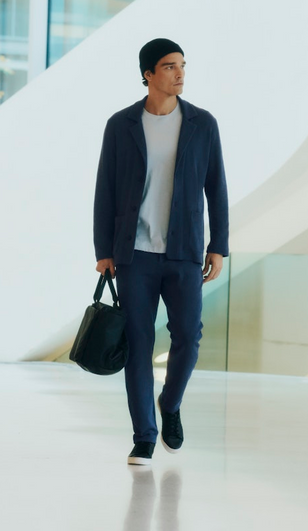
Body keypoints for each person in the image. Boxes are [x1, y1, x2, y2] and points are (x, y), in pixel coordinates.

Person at [93, 38, 229, 466]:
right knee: (138, 342)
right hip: (134, 253)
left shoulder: (202, 124)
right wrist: (104, 249)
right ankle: (144, 436)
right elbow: (106, 191)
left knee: (188, 336)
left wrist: (218, 245)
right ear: (148, 74)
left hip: (184, 250)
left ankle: (169, 405)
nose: (179, 73)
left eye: (183, 65)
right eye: (170, 66)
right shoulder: (121, 125)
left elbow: (216, 188)